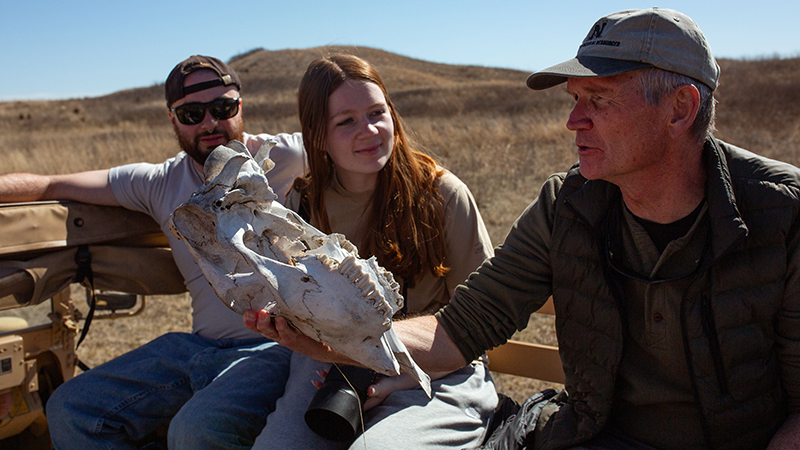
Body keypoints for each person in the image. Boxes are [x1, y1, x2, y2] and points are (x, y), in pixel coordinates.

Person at [246, 9, 800, 450]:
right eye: (574, 100)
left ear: (679, 110)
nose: (573, 121)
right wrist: (340, 339)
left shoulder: (784, 216)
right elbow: (462, 327)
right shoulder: (567, 206)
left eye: (599, 100)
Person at [0, 55, 306, 449]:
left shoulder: (288, 158)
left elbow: (364, 145)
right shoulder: (159, 182)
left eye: (223, 108)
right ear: (173, 119)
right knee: (72, 408)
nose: (210, 123)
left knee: (196, 432)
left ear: (240, 107)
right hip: (199, 347)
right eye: (192, 113)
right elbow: (49, 185)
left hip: (277, 345)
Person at [249, 53, 498, 450]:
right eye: (345, 121)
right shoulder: (305, 203)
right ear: (317, 136)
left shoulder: (443, 195)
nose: (369, 130)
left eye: (377, 113)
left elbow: (482, 320)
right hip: (335, 367)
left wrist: (400, 376)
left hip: (440, 369)